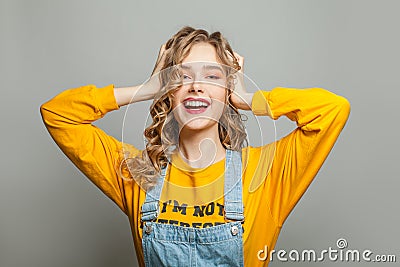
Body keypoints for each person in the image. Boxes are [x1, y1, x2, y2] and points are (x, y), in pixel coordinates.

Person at [40, 26, 351, 267]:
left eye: (212, 76)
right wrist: (146, 88)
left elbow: (331, 109)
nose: (196, 85)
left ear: (228, 90)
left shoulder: (263, 173)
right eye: (181, 77)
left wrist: (248, 98)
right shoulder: (138, 174)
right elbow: (57, 114)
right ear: (169, 92)